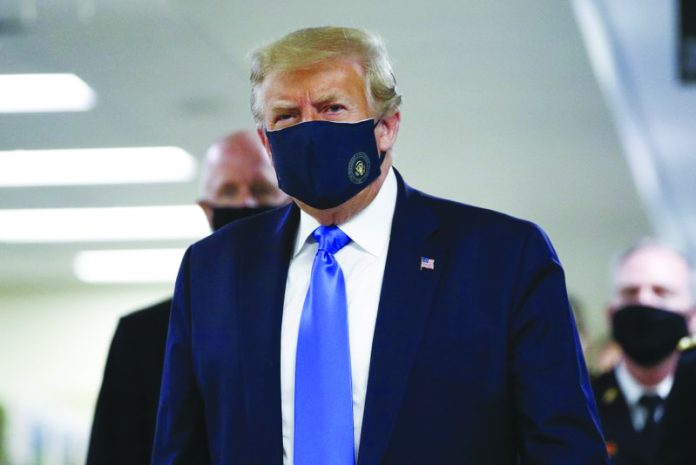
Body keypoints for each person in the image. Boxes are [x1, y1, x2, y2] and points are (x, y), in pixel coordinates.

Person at [151, 26, 607, 465]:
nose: (309, 133)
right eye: (287, 116)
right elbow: (180, 448)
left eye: (332, 109)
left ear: (387, 126)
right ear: (266, 143)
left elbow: (564, 449)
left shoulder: (502, 260)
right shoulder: (213, 270)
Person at [85, 130, 289, 465]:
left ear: (288, 203)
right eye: (228, 191)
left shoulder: (319, 315)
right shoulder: (143, 337)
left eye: (260, 189)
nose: (245, 203)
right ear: (207, 210)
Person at [591, 240, 696, 465]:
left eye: (662, 292)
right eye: (631, 292)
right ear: (610, 314)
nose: (644, 300)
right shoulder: (581, 405)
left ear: (692, 316)